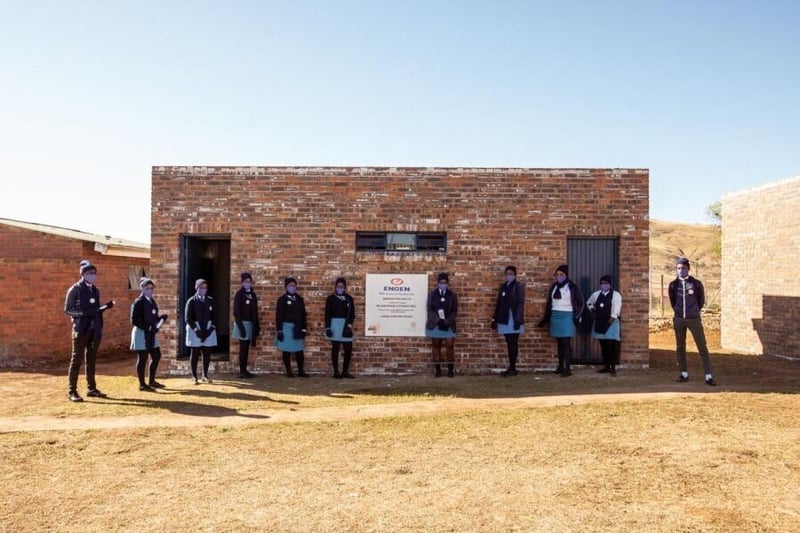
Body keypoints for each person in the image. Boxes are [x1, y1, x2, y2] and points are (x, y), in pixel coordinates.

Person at [63, 260, 115, 402]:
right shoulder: (75, 289)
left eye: (94, 273)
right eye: (89, 273)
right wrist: (84, 313)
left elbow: (96, 310)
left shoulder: (95, 290)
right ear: (83, 274)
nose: (92, 275)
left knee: (91, 360)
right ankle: (72, 391)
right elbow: (68, 309)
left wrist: (105, 307)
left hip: (94, 329)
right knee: (76, 360)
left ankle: (92, 388)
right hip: (80, 329)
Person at [669, 257, 717, 386]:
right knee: (680, 347)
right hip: (679, 319)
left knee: (702, 346)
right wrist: (678, 312)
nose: (680, 270)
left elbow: (701, 300)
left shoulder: (696, 284)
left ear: (688, 269)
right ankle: (683, 373)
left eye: (683, 268)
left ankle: (708, 376)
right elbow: (673, 301)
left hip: (694, 319)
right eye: (678, 268)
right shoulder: (673, 285)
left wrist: (694, 311)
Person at [538, 264, 585, 377]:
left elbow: (581, 303)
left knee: (566, 342)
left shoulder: (572, 287)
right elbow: (549, 303)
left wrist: (576, 316)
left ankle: (567, 368)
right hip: (555, 315)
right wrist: (546, 318)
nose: (559, 276)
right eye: (557, 274)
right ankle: (560, 366)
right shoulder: (554, 287)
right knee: (559, 342)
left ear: (566, 275)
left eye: (562, 274)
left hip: (567, 316)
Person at [130, 277, 168, 391]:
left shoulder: (152, 301)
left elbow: (154, 317)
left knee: (156, 355)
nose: (150, 290)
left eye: (151, 288)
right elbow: (134, 320)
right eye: (147, 288)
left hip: (151, 333)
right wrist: (148, 327)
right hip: (141, 333)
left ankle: (152, 381)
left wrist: (160, 319)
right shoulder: (138, 302)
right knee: (142, 358)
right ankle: (142, 384)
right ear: (142, 288)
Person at [491, 265, 525, 377]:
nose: (509, 275)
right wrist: (494, 318)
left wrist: (518, 320)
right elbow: (499, 303)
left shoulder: (519, 286)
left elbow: (520, 303)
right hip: (504, 317)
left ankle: (513, 368)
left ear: (515, 275)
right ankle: (511, 367)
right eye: (507, 274)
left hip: (513, 318)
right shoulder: (503, 287)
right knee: (508, 342)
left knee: (513, 342)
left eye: (511, 274)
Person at [585, 275, 622, 376]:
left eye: (606, 283)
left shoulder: (616, 295)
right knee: (603, 345)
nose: (603, 285)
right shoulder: (596, 294)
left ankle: (613, 367)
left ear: (610, 284)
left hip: (611, 322)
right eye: (602, 283)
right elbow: (589, 302)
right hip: (599, 322)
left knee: (612, 345)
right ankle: (606, 366)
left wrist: (609, 322)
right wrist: (593, 310)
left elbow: (616, 310)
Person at [275, 276, 309, 377]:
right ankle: (288, 371)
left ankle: (300, 370)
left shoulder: (299, 299)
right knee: (286, 350)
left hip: (297, 326)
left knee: (299, 350)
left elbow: (303, 315)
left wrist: (304, 329)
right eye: (290, 285)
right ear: (286, 287)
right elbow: (279, 316)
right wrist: (279, 331)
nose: (292, 287)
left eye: (294, 285)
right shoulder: (282, 300)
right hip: (286, 327)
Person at [426, 272, 458, 377]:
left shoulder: (452, 295)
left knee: (450, 346)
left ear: (447, 283)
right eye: (441, 282)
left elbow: (454, 310)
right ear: (438, 283)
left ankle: (450, 370)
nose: (443, 284)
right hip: (435, 324)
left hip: (449, 324)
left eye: (445, 282)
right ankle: (438, 370)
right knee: (436, 346)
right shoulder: (432, 294)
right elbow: (430, 310)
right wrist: (438, 321)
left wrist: (447, 321)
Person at [185, 278, 217, 384]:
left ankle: (205, 375)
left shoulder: (210, 300)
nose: (203, 289)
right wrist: (196, 330)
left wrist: (210, 329)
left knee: (207, 353)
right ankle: (194, 376)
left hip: (208, 327)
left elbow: (215, 316)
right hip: (195, 328)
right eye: (201, 287)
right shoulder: (191, 301)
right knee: (195, 352)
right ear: (196, 288)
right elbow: (188, 318)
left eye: (205, 288)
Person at [324, 277, 356, 379]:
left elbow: (352, 314)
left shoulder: (349, 298)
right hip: (334, 325)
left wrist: (349, 325)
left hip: (346, 326)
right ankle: (336, 372)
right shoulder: (331, 299)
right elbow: (327, 314)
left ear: (345, 287)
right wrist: (328, 328)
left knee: (348, 348)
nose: (340, 288)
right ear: (335, 287)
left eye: (342, 286)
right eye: (338, 286)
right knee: (335, 348)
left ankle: (345, 371)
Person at [232, 272, 260, 378]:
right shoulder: (239, 294)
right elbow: (236, 312)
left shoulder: (253, 295)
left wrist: (256, 326)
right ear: (242, 283)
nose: (247, 283)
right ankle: (242, 371)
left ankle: (245, 370)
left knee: (247, 348)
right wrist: (241, 328)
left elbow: (255, 312)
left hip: (250, 324)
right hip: (242, 324)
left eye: (249, 281)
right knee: (243, 348)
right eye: (245, 281)